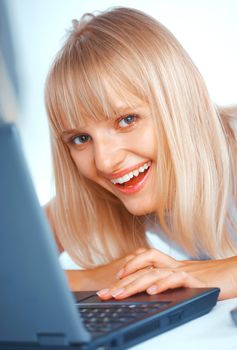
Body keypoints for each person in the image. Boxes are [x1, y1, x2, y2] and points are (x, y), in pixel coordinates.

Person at [44, 7, 237, 301]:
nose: (105, 161)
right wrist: (98, 277)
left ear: (181, 101)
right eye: (81, 138)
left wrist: (209, 275)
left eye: (126, 120)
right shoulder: (103, 190)